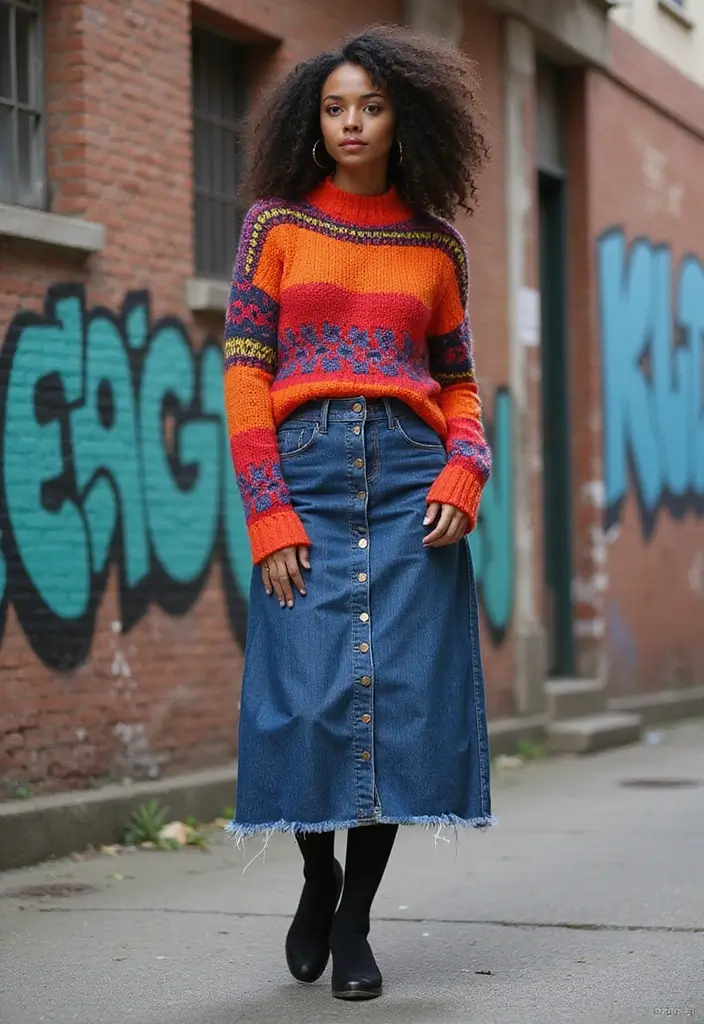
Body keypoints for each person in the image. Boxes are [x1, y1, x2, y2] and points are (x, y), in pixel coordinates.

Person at [223, 23, 494, 1002]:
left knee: (398, 706)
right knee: (305, 703)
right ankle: (314, 874)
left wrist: (465, 468)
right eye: (335, 105)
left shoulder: (434, 244)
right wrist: (269, 514)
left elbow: (459, 385)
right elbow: (244, 373)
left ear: (399, 117)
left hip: (409, 486)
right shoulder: (274, 227)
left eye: (369, 106)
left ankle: (356, 918)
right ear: (312, 116)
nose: (350, 122)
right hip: (308, 483)